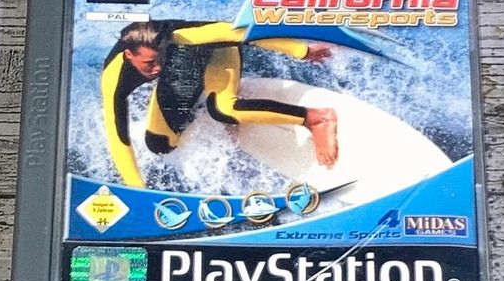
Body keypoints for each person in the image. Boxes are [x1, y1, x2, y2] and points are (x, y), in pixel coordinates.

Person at [101, 20, 338, 187]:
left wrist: (302, 51)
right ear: (129, 55)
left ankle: (315, 118)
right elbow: (117, 138)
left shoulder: (183, 36)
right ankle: (203, 98)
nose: (156, 68)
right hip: (181, 67)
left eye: (159, 58)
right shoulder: (114, 78)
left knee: (223, 110)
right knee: (160, 143)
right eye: (149, 63)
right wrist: (138, 189)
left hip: (217, 53)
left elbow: (239, 31)